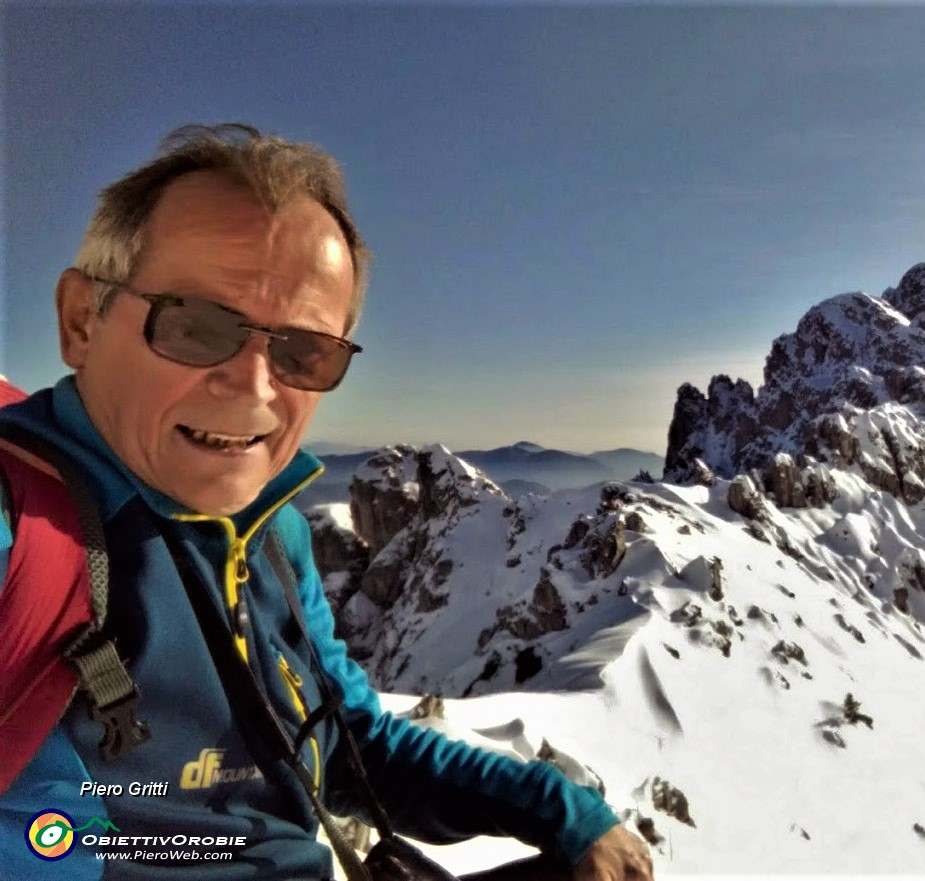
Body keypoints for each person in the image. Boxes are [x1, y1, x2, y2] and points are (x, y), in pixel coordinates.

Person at [0, 124, 654, 880]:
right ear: (82, 320)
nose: (252, 385)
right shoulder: (25, 528)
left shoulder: (271, 535)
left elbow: (352, 744)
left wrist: (564, 811)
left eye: (303, 352)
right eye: (193, 324)